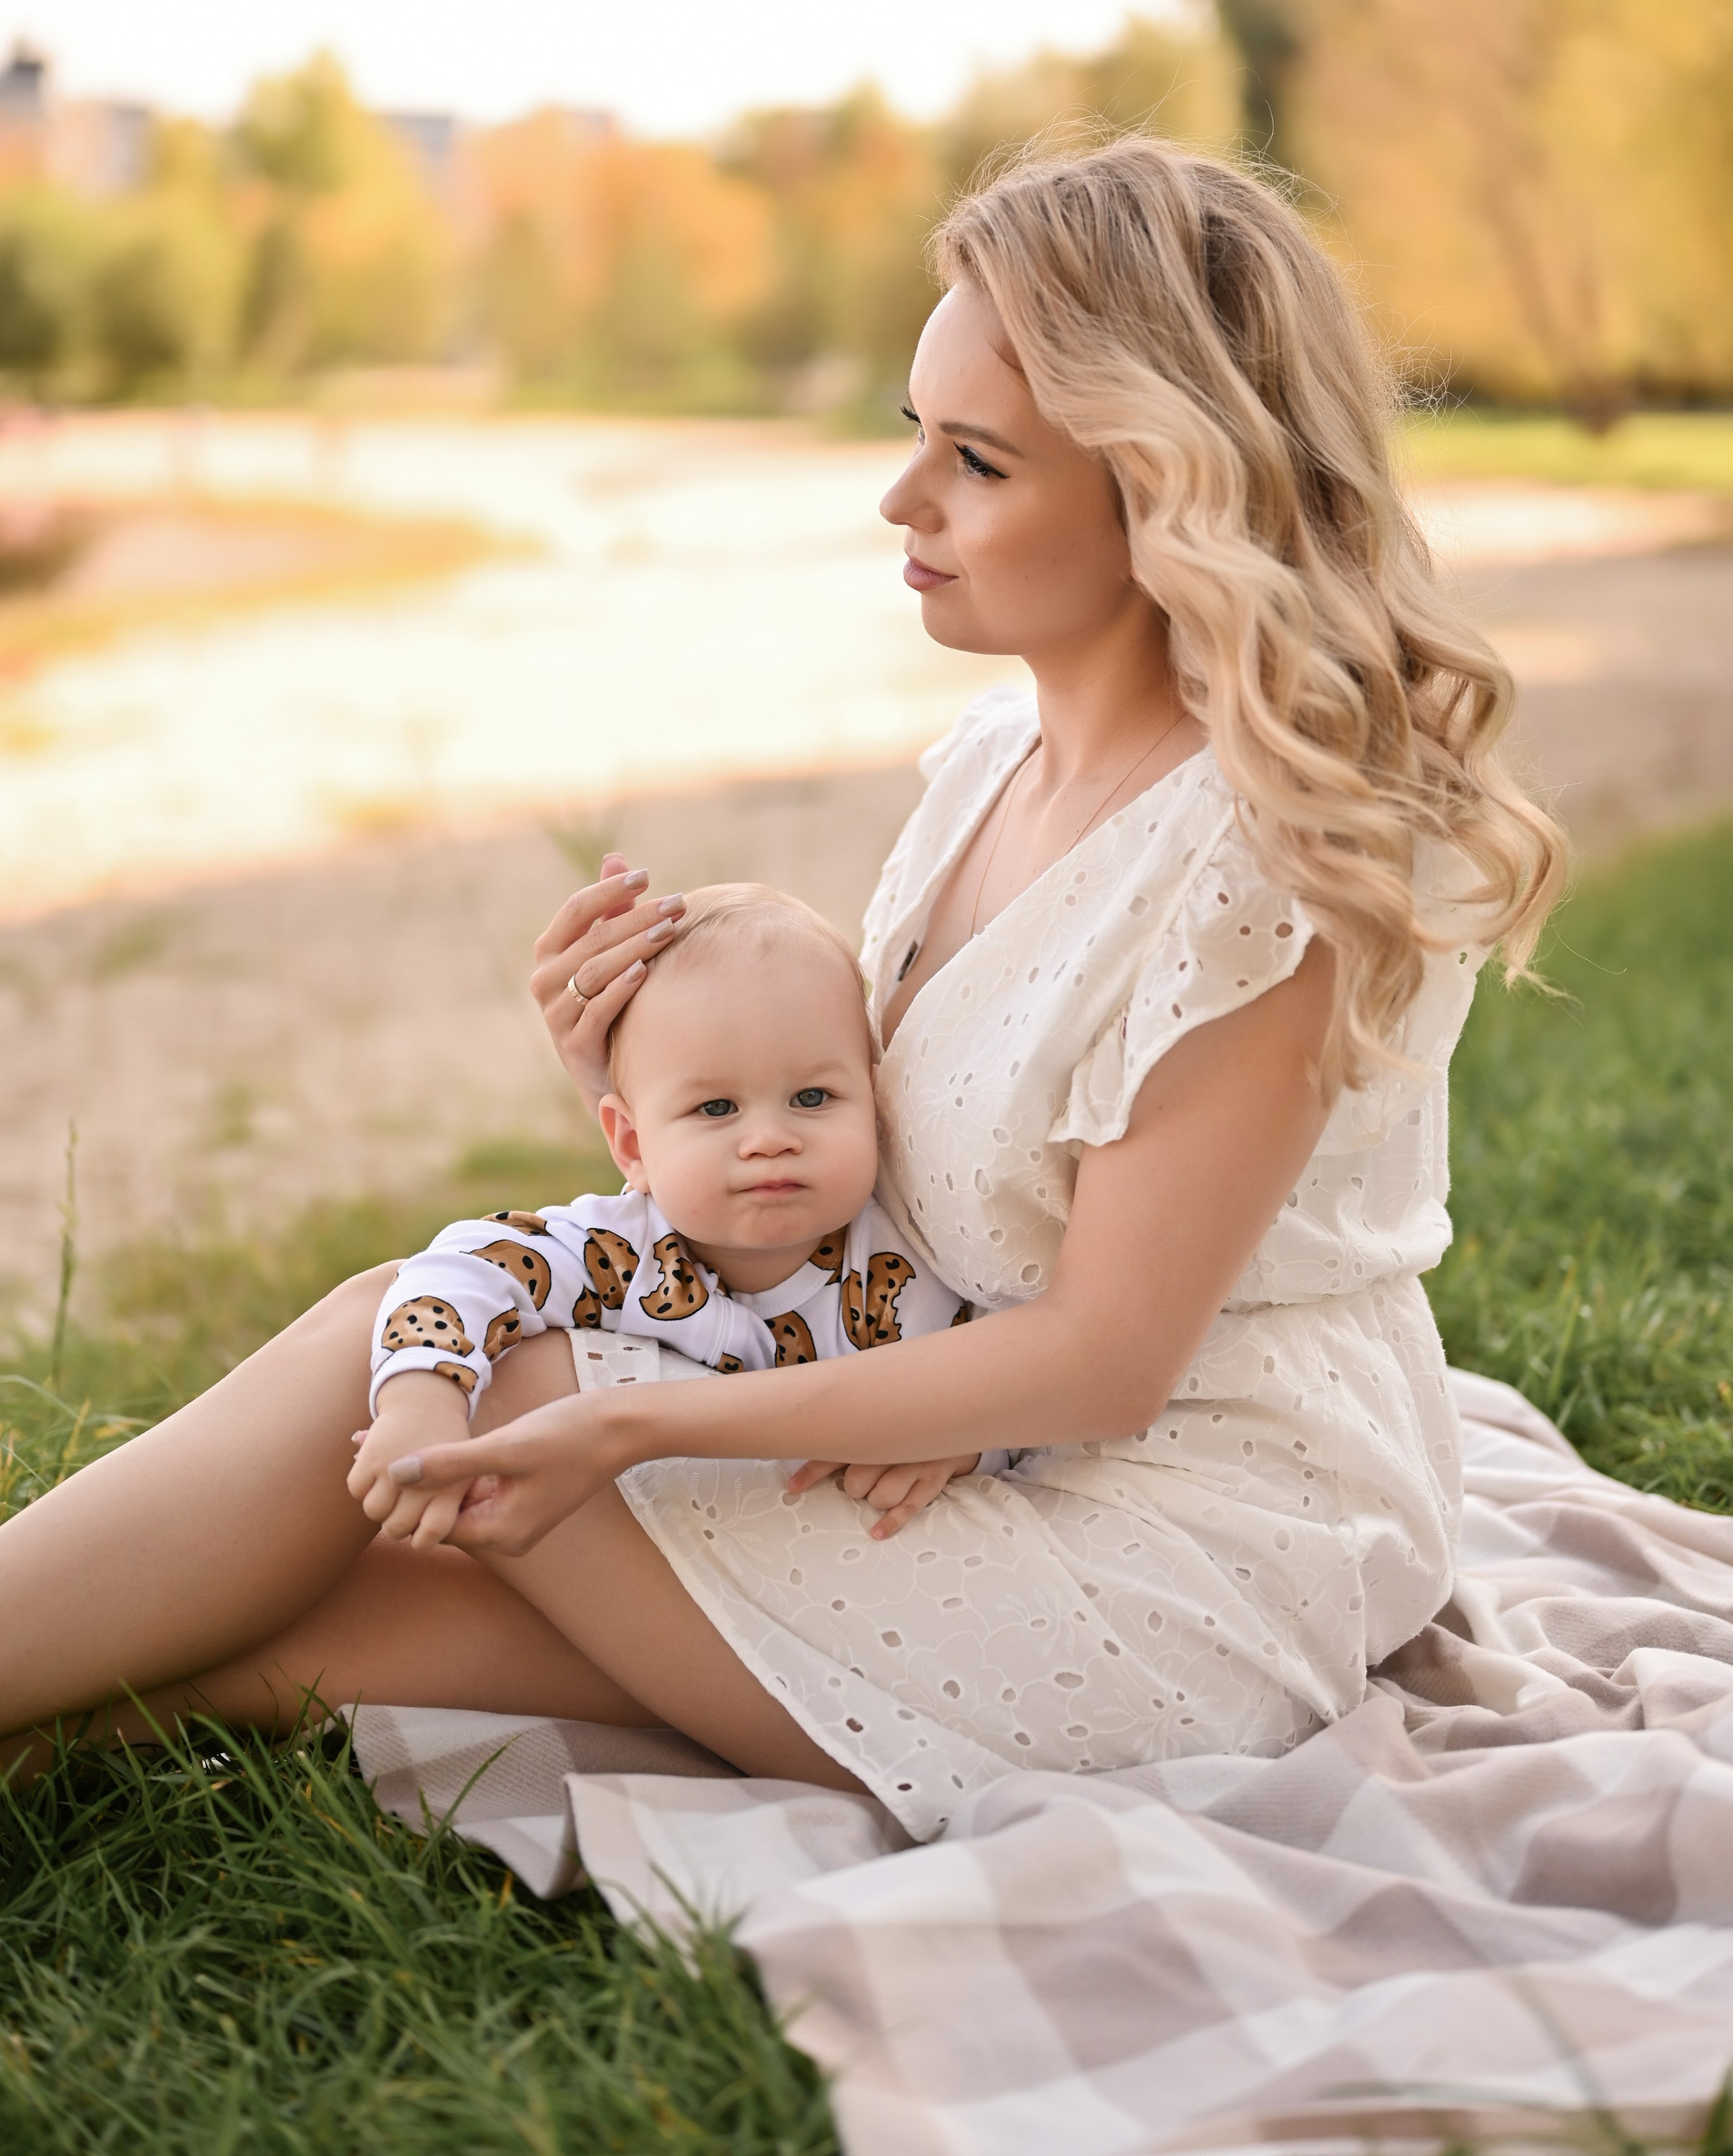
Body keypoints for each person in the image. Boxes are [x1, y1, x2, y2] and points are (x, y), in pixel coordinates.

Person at [0, 138, 1564, 1839]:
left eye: (972, 461)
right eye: (913, 434)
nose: (901, 503)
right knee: (359, 1532)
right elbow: (901, 1174)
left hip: (1178, 1531)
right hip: (942, 1416)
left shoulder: (1263, 864)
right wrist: (657, 1087)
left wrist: (638, 1417)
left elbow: (1105, 1360)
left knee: (486, 1367)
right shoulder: (989, 760)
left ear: (1163, 489)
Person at [351, 882, 997, 1556]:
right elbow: (467, 1268)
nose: (770, 1137)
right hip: (640, 1550)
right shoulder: (622, 1250)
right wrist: (420, 1400)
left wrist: (969, 1449)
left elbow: (1037, 1400)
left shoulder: (917, 1275)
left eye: (812, 1096)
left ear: (875, 1104)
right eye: (717, 1108)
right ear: (631, 1144)